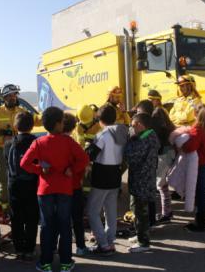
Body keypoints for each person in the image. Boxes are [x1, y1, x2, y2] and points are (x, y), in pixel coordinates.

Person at [20, 107, 89, 272]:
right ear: (59, 123)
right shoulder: (69, 142)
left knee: (46, 226)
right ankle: (66, 262)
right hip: (65, 189)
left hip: (45, 191)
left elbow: (24, 163)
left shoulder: (38, 142)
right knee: (65, 225)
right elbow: (84, 159)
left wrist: (40, 170)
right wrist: (71, 169)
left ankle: (46, 263)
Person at [0, 84, 36, 209]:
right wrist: (1, 139)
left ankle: (19, 203)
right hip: (2, 151)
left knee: (20, 177)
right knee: (4, 179)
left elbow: (34, 119)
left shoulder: (21, 111)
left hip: (18, 150)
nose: (13, 98)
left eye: (14, 95)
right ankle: (5, 207)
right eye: (10, 96)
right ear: (4, 97)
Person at [86, 105, 128, 256]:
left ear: (99, 119)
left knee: (92, 211)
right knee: (110, 212)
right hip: (116, 174)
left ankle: (103, 245)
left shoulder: (102, 135)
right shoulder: (122, 131)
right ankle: (110, 242)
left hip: (102, 175)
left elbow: (90, 155)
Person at [4, 112, 39, 262]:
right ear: (32, 126)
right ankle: (30, 250)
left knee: (16, 217)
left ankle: (19, 249)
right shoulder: (36, 142)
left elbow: (7, 162)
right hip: (32, 184)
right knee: (31, 217)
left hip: (14, 184)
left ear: (15, 126)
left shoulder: (8, 143)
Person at [124, 112, 159, 252]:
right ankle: (140, 234)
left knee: (140, 212)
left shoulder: (143, 140)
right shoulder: (149, 135)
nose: (131, 129)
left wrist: (128, 142)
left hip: (141, 181)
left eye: (132, 126)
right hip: (143, 180)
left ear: (139, 125)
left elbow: (131, 157)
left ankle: (143, 242)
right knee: (136, 209)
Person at [182, 104, 205, 231]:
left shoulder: (198, 128)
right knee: (203, 192)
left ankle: (201, 222)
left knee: (199, 192)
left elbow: (191, 147)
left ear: (195, 114)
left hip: (198, 164)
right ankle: (202, 219)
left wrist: (182, 146)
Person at [147, 91, 177, 223]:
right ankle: (167, 212)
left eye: (151, 100)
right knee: (162, 183)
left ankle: (166, 214)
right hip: (168, 150)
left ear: (157, 100)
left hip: (164, 152)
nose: (149, 103)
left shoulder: (157, 112)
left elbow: (157, 133)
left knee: (160, 184)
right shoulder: (161, 111)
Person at [62, 111, 89, 256]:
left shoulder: (52, 141)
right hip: (74, 187)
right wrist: (73, 170)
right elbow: (84, 160)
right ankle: (80, 247)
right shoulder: (72, 143)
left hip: (58, 189)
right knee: (77, 218)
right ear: (73, 128)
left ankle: (61, 249)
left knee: (61, 220)